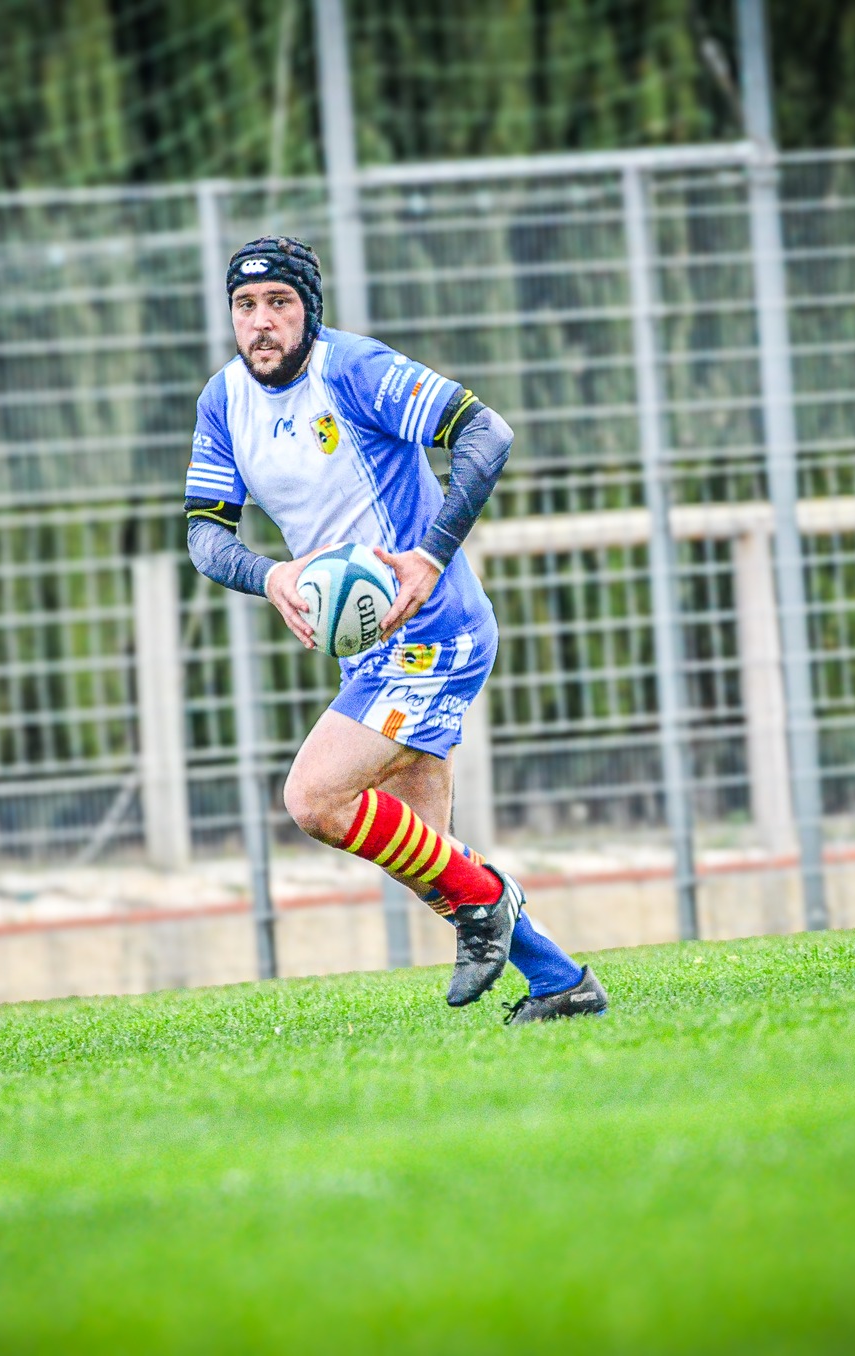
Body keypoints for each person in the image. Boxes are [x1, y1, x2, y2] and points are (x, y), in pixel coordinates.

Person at [183, 235, 608, 1024]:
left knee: (314, 798)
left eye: (279, 303)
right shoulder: (223, 401)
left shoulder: (354, 369)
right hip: (371, 652)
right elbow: (205, 533)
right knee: (430, 858)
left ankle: (497, 901)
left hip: (435, 633)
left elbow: (488, 435)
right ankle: (563, 985)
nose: (262, 324)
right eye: (246, 307)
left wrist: (428, 558)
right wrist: (270, 574)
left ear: (309, 311)